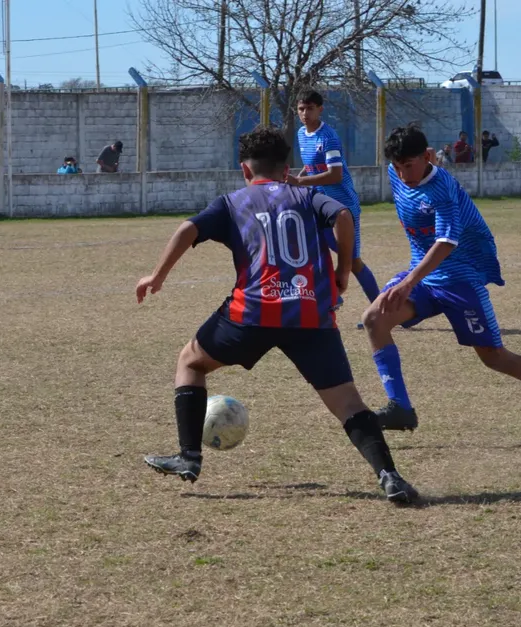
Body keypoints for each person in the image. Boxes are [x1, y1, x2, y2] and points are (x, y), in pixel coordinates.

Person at [137, 125, 419, 504]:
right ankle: (390, 477)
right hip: (309, 314)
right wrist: (342, 270)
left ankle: (189, 456)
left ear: (244, 169)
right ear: (287, 169)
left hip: (251, 314)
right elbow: (344, 218)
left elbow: (188, 229)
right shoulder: (307, 196)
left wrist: (158, 276)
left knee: (191, 360)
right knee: (348, 402)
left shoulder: (232, 201)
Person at [360, 124, 521, 438]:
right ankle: (400, 407)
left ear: (428, 156)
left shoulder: (441, 188)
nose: (402, 175)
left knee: (494, 358)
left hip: (459, 280)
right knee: (374, 319)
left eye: (408, 166)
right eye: (397, 168)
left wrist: (409, 281)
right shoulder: (397, 171)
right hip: (425, 279)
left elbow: (446, 241)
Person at [287, 89, 382, 312]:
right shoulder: (302, 134)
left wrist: (299, 183)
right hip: (320, 204)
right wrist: (298, 180)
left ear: (320, 109)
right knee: (313, 248)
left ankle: (382, 311)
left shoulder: (328, 137)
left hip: (342, 207)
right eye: (301, 109)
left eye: (310, 108)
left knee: (353, 262)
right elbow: (311, 168)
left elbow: (335, 174)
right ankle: (332, 297)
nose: (305, 113)